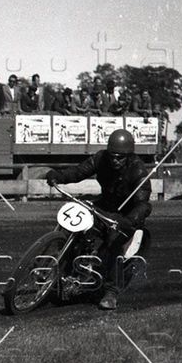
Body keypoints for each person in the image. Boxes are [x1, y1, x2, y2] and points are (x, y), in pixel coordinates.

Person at [45, 129, 152, 310]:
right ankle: (51, 265)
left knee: (113, 243)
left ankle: (111, 293)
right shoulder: (100, 158)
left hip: (126, 216)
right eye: (112, 156)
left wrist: (130, 220)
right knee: (74, 225)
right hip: (104, 206)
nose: (115, 160)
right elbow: (79, 172)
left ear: (129, 156)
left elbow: (143, 204)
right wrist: (59, 176)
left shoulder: (139, 171)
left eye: (120, 157)